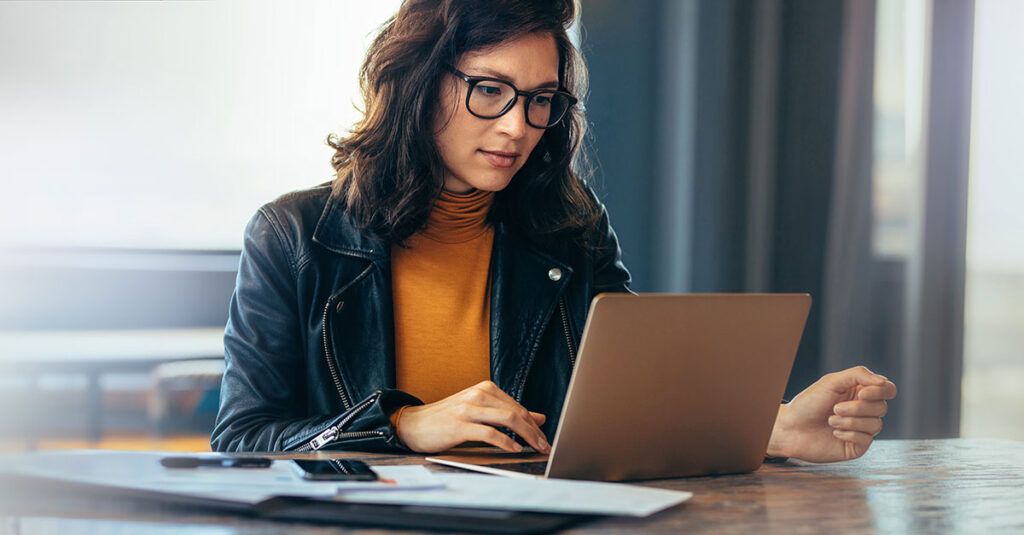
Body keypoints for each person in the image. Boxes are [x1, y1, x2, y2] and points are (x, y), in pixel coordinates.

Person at [210, 0, 897, 464]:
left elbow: (630, 399)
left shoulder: (569, 225)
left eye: (541, 100)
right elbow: (241, 440)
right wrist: (401, 426)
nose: (517, 126)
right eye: (490, 90)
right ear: (418, 82)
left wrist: (770, 426)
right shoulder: (294, 236)